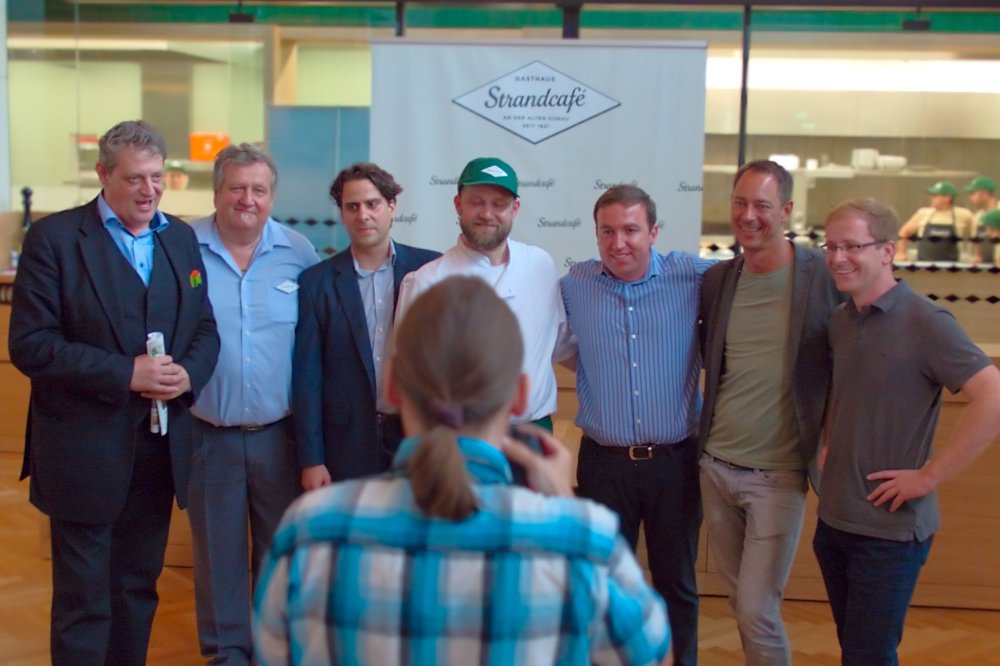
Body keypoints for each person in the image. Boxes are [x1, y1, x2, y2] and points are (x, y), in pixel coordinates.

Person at [254, 276, 673, 666]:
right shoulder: (583, 543)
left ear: (393, 386)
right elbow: (651, 656)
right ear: (519, 396)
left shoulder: (310, 533)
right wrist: (565, 501)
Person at [8, 119, 219, 665]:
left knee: (137, 590)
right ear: (103, 175)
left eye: (157, 177)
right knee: (84, 603)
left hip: (158, 454)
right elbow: (31, 345)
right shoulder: (55, 240)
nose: (150, 190)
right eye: (134, 179)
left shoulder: (179, 239)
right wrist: (126, 374)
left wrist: (187, 374)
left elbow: (204, 329)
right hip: (82, 456)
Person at [815, 198, 1000, 665]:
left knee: (869, 656)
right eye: (831, 246)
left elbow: (992, 396)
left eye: (852, 246)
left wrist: (929, 477)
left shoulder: (926, 322)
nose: (838, 258)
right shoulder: (841, 320)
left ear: (887, 251)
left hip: (889, 532)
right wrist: (832, 440)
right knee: (855, 651)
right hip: (835, 520)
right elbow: (847, 390)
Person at [558, 184, 712, 666]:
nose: (618, 242)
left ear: (654, 232)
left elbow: (755, 277)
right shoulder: (575, 284)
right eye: (607, 231)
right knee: (605, 585)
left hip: (675, 463)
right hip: (604, 465)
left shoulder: (693, 276)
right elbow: (555, 342)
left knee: (676, 584)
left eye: (630, 230)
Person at [698, 160, 842, 666]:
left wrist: (833, 435)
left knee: (757, 610)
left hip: (779, 474)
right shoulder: (718, 280)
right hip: (715, 468)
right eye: (740, 203)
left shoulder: (822, 276)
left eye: (762, 205)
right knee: (741, 603)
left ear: (786, 210)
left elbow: (855, 352)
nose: (748, 215)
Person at [187, 143, 319, 665]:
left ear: (272, 196)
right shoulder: (182, 246)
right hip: (207, 436)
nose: (248, 199)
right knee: (217, 556)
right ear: (217, 192)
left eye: (258, 190)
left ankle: (273, 651)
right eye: (237, 188)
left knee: (279, 554)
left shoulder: (299, 252)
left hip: (279, 437)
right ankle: (227, 654)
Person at [293, 163, 439, 486]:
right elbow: (308, 379)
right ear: (342, 214)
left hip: (417, 441)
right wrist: (312, 459)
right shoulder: (316, 284)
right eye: (352, 207)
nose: (363, 215)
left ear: (392, 207)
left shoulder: (430, 269)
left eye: (372, 204)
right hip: (344, 448)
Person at [396, 156, 562, 430]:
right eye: (477, 202)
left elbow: (560, 342)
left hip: (534, 431)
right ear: (458, 204)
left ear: (515, 208)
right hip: (459, 436)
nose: (487, 213)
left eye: (499, 204)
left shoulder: (540, 264)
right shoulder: (426, 281)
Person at [896, 181, 975, 262]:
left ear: (947, 198)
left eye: (935, 195)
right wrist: (901, 253)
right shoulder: (923, 213)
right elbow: (903, 233)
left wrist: (977, 256)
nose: (931, 198)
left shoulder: (964, 214)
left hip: (951, 266)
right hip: (923, 265)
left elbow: (975, 236)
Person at [962, 176, 999, 264]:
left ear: (985, 194)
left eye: (973, 193)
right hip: (987, 267)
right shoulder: (977, 217)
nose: (970, 198)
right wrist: (978, 257)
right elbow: (978, 240)